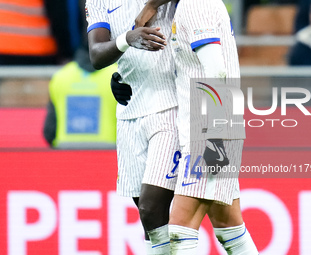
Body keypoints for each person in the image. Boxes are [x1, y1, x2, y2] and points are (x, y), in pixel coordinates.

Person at [136, 0, 259, 254]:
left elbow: (216, 72)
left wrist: (216, 139)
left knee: (180, 231)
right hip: (208, 126)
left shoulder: (195, 5)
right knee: (229, 227)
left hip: (209, 130)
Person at [85, 1, 179, 254]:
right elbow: (96, 54)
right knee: (151, 222)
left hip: (170, 107)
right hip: (130, 111)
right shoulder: (97, 2)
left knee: (151, 209)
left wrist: (149, 6)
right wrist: (127, 39)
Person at [43, 46, 117, 149]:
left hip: (65, 151)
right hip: (108, 151)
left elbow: (49, 131)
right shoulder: (117, 74)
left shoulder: (60, 76)